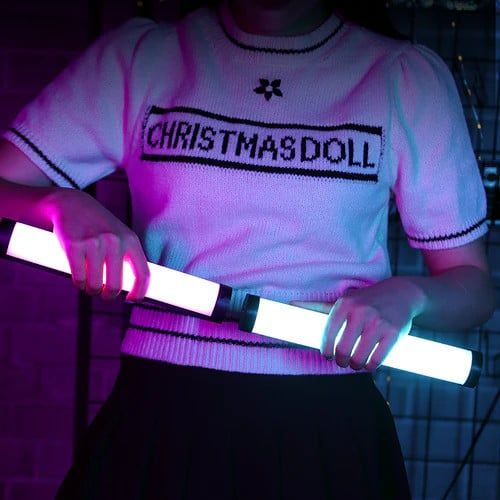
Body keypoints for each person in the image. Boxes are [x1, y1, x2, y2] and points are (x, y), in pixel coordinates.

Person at [0, 0, 494, 498]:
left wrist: (409, 296)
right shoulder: (142, 58)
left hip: (326, 429)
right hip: (159, 415)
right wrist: (57, 204)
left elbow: (473, 287)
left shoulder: (403, 78)